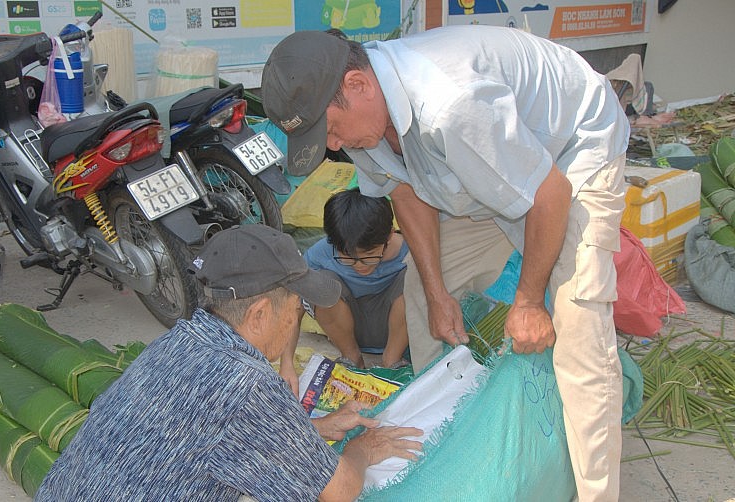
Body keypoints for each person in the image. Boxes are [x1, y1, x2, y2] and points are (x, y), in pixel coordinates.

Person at [261, 25, 630, 501]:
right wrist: (437, 294)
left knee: (580, 334)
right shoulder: (363, 119)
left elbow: (548, 193)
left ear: (357, 84)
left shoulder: (452, 105)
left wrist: (529, 301)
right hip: (481, 172)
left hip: (569, 155)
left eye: (330, 129)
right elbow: (405, 191)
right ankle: (446, 427)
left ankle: (597, 493)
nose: (333, 144)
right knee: (422, 295)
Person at [35, 224, 423, 501]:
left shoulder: (179, 340)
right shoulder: (248, 384)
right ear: (258, 315)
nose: (296, 319)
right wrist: (365, 449)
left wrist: (316, 428)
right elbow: (337, 492)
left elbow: (206, 432)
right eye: (295, 308)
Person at [292, 188, 409, 371]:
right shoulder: (320, 253)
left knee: (417, 277)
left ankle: (392, 360)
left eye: (369, 255)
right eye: (347, 257)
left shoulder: (411, 250)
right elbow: (293, 308)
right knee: (319, 283)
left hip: (399, 330)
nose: (359, 265)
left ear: (389, 235)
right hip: (350, 329)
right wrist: (287, 364)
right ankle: (352, 358)